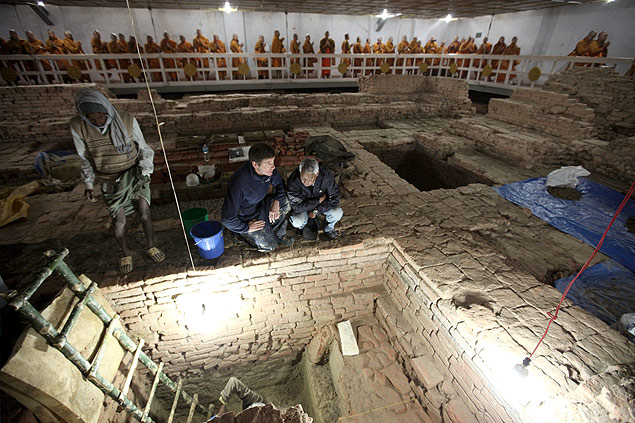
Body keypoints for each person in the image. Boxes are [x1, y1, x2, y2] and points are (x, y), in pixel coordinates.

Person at [70, 88, 165, 273]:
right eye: (92, 119)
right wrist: (88, 184)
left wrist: (146, 171)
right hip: (109, 179)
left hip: (134, 174)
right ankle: (125, 252)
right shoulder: (78, 126)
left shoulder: (127, 120)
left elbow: (144, 148)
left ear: (107, 110)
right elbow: (84, 158)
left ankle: (151, 245)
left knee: (145, 213)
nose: (98, 122)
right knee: (119, 221)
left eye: (101, 117)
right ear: (84, 116)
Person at [221, 143, 294, 252]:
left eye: (273, 162)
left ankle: (278, 234)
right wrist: (246, 227)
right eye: (268, 163)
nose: (273, 166)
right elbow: (227, 219)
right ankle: (241, 234)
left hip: (262, 205)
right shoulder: (239, 182)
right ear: (255, 164)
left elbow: (279, 184)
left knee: (286, 202)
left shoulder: (268, 171)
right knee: (270, 246)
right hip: (248, 217)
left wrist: (276, 202)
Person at [287, 158, 342, 240]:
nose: (305, 182)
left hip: (320, 206)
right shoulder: (293, 181)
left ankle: (328, 228)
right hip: (305, 208)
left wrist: (316, 210)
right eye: (303, 178)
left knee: (337, 213)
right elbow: (297, 207)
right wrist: (318, 200)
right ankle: (302, 227)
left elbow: (334, 198)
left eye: (309, 179)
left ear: (317, 174)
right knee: (297, 221)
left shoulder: (326, 176)